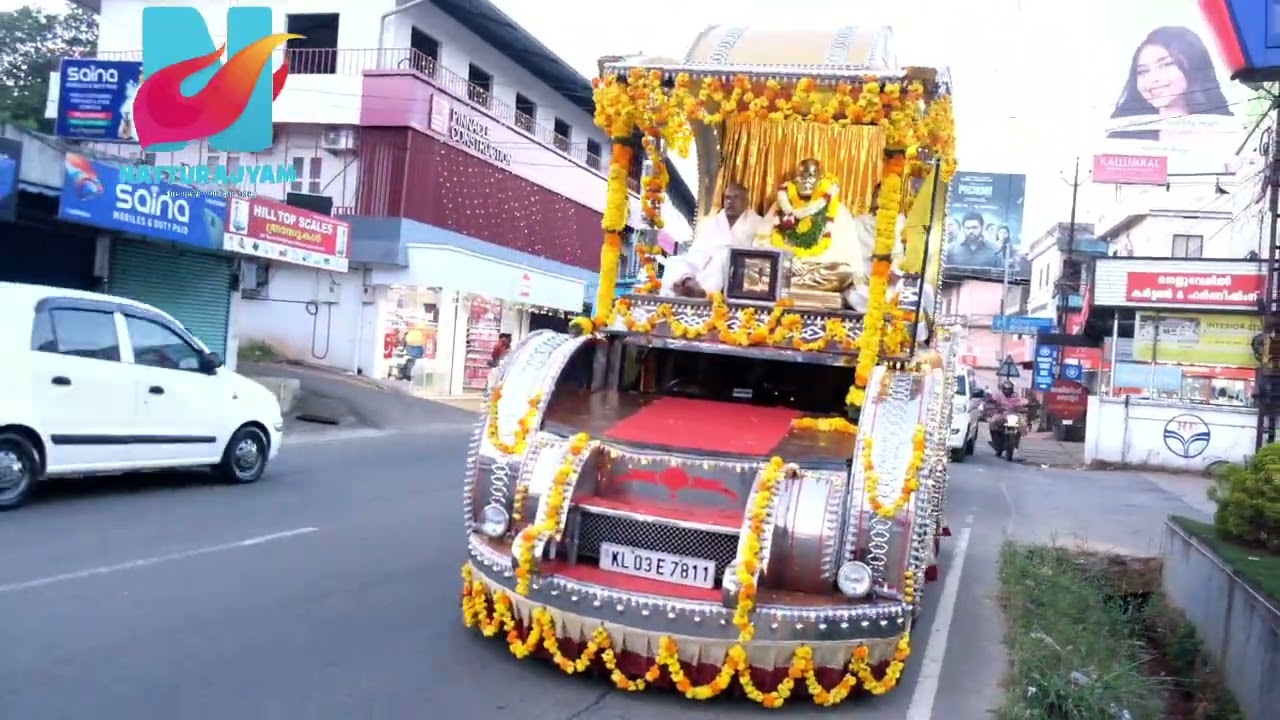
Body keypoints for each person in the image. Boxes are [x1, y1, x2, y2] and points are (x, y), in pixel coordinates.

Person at [754, 158, 867, 306]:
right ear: (794, 180)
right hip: (783, 266)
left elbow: (844, 252)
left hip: (816, 268)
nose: (806, 180)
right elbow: (761, 243)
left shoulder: (837, 208)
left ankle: (784, 284)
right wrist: (786, 261)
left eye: (811, 176)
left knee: (843, 272)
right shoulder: (780, 205)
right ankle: (788, 282)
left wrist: (806, 263)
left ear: (820, 180)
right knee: (752, 269)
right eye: (801, 175)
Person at [1107, 26, 1233, 141]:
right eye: (1143, 71)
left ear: (1193, 65)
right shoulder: (1124, 137)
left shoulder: (1228, 131)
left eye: (1166, 64)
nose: (1153, 79)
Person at [660, 182, 761, 297]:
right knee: (674, 262)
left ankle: (703, 293)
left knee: (724, 255)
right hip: (701, 267)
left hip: (734, 272)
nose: (730, 201)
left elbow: (758, 254)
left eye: (735, 197)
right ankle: (685, 284)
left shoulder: (757, 223)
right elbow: (696, 252)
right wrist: (688, 275)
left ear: (746, 201)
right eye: (727, 197)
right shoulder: (711, 222)